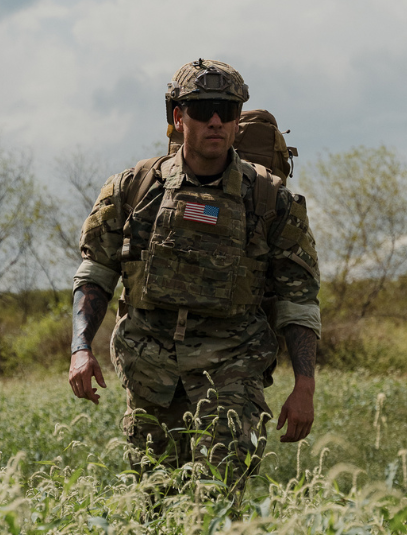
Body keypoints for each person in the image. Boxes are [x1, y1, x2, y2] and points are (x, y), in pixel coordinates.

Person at [67, 59, 321, 486]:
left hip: (232, 375)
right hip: (150, 377)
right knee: (156, 503)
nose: (216, 120)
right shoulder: (134, 188)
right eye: (203, 110)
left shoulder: (270, 200)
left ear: (239, 119)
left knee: (218, 502)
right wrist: (80, 348)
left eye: (228, 109)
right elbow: (95, 272)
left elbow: (298, 300)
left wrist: (305, 386)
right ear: (178, 117)